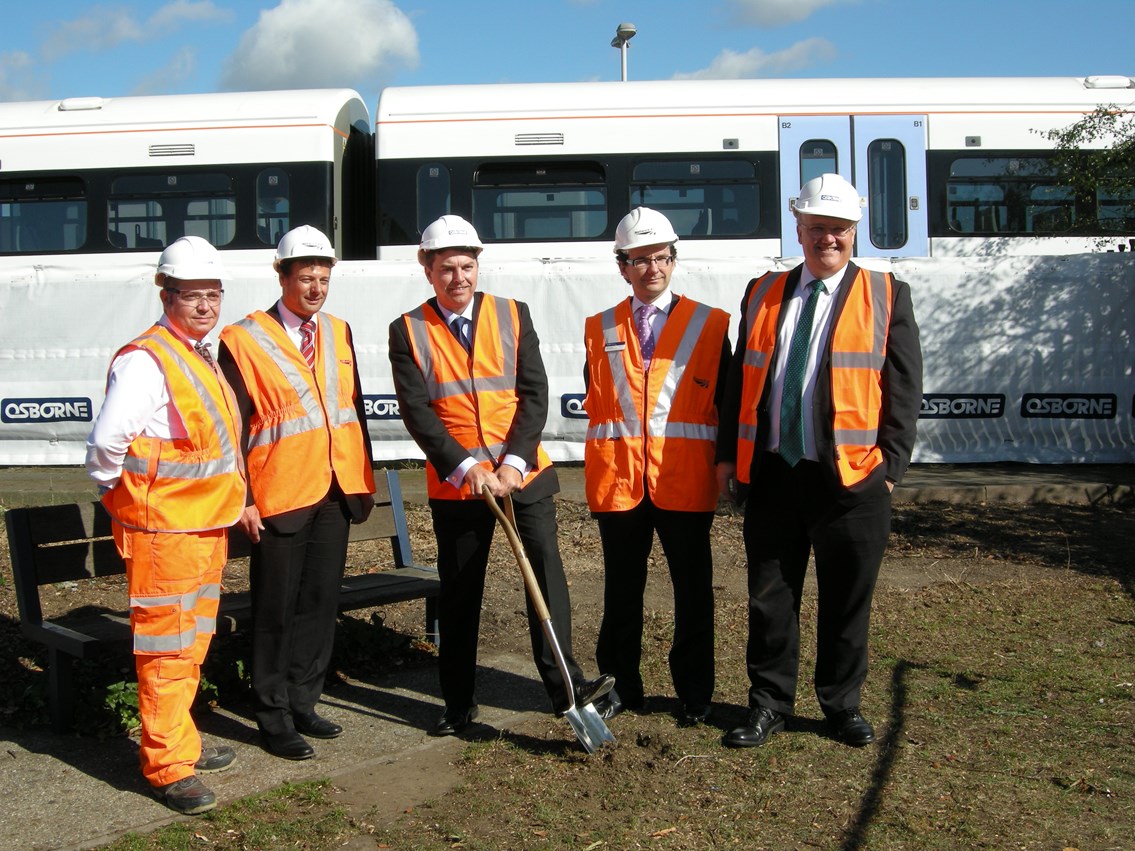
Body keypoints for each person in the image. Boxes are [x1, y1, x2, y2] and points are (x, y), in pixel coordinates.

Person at [715, 173, 923, 749]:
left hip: (851, 480)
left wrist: (891, 467)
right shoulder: (762, 290)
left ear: (855, 231)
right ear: (798, 228)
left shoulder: (887, 294)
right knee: (769, 599)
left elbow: (904, 388)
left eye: (837, 229)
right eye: (815, 228)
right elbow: (739, 382)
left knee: (846, 599)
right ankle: (768, 703)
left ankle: (841, 704)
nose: (826, 239)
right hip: (775, 475)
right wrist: (728, 459)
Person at [388, 214, 613, 735]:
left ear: (477, 266)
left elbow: (535, 394)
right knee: (461, 591)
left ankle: (566, 691)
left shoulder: (513, 314)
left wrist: (513, 464)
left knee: (547, 578)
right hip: (458, 486)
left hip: (524, 478)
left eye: (467, 267)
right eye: (446, 268)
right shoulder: (408, 330)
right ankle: (458, 702)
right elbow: (418, 412)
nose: (458, 278)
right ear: (427, 269)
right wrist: (467, 468)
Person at [85, 236, 245, 815]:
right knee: (166, 652)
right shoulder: (148, 359)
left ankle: (180, 740)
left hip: (203, 527)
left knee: (190, 644)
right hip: (166, 534)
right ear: (165, 293)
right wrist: (119, 495)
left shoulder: (199, 352)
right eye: (190, 296)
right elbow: (105, 444)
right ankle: (167, 767)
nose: (204, 306)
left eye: (212, 294)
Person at [218, 226, 375, 761]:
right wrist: (241, 497)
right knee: (275, 609)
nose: (315, 288)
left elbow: (351, 409)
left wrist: (363, 479)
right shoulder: (241, 339)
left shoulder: (339, 330)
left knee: (318, 604)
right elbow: (232, 426)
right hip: (279, 493)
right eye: (305, 277)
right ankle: (272, 712)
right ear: (281, 276)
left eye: (323, 278)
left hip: (335, 488)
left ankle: (305, 700)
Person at [582, 208, 731, 726]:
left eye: (661, 258)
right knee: (621, 592)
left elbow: (727, 404)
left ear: (674, 260)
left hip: (684, 479)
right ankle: (620, 686)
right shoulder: (598, 327)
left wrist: (727, 464)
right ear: (622, 266)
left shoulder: (710, 325)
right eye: (640, 260)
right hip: (620, 482)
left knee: (693, 592)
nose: (652, 269)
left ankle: (695, 693)